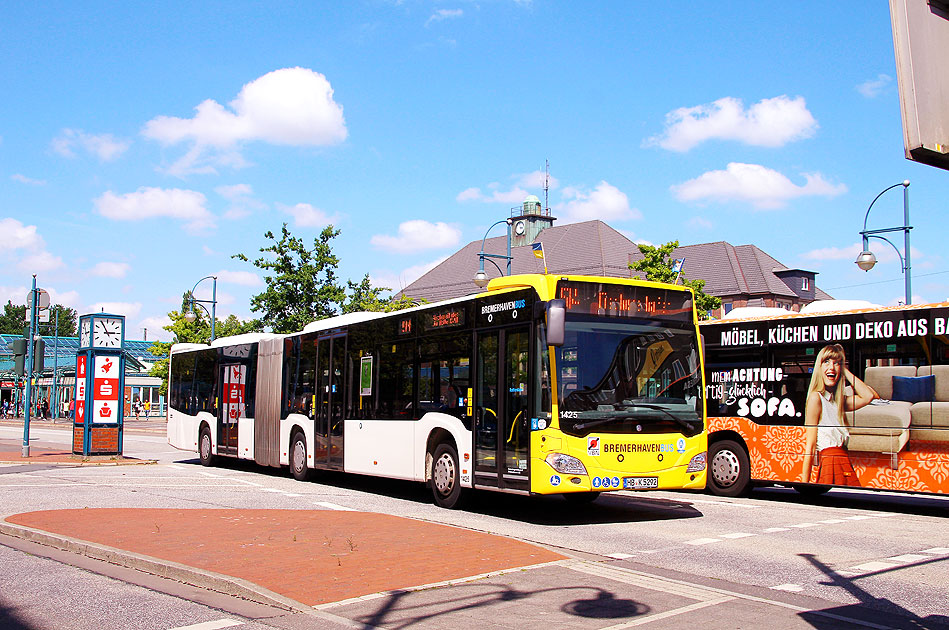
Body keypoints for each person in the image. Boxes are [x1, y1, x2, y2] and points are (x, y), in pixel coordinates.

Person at [801, 344, 876, 486]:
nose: (831, 367)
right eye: (826, 362)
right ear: (819, 367)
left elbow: (868, 396)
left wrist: (845, 371)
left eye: (836, 363)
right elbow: (810, 446)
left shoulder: (838, 401)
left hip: (844, 460)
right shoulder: (816, 398)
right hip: (830, 462)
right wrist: (804, 485)